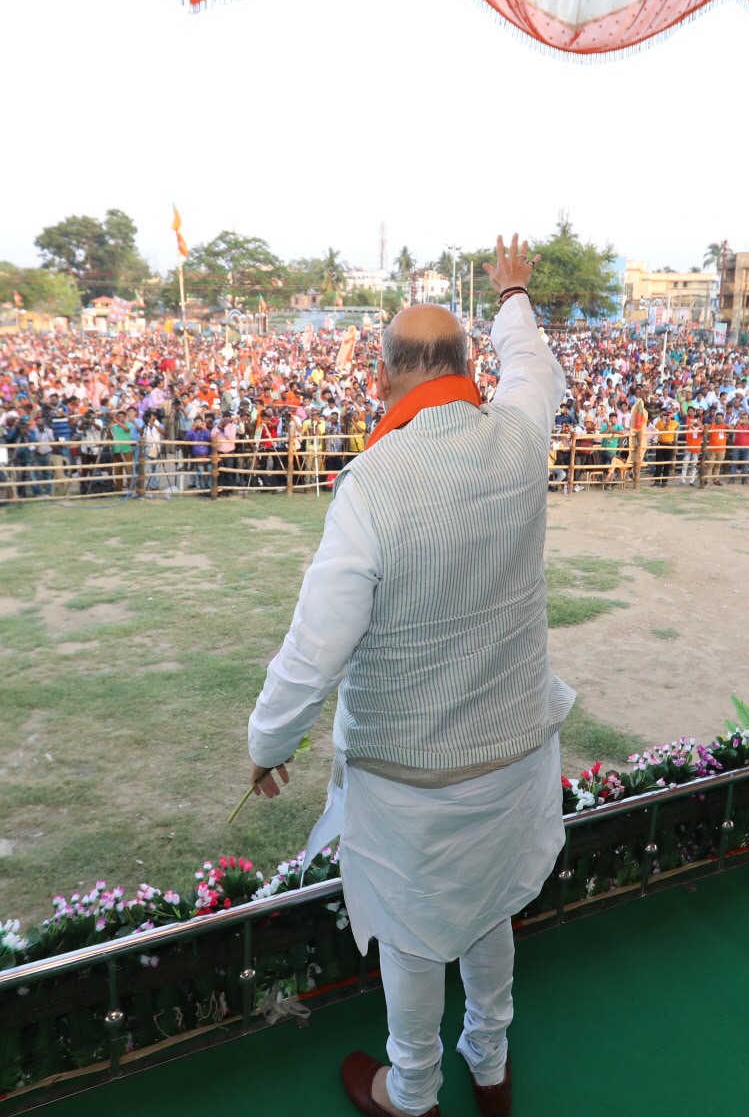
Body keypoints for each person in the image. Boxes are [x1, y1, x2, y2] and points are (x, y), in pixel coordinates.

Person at [244, 234, 571, 1117]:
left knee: (417, 938)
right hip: (515, 756)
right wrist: (513, 292)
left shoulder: (372, 485)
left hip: (413, 779)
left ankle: (414, 1089)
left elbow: (315, 650)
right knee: (494, 905)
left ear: (382, 378)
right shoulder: (520, 432)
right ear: (468, 367)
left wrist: (268, 742)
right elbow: (533, 366)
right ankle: (491, 1062)